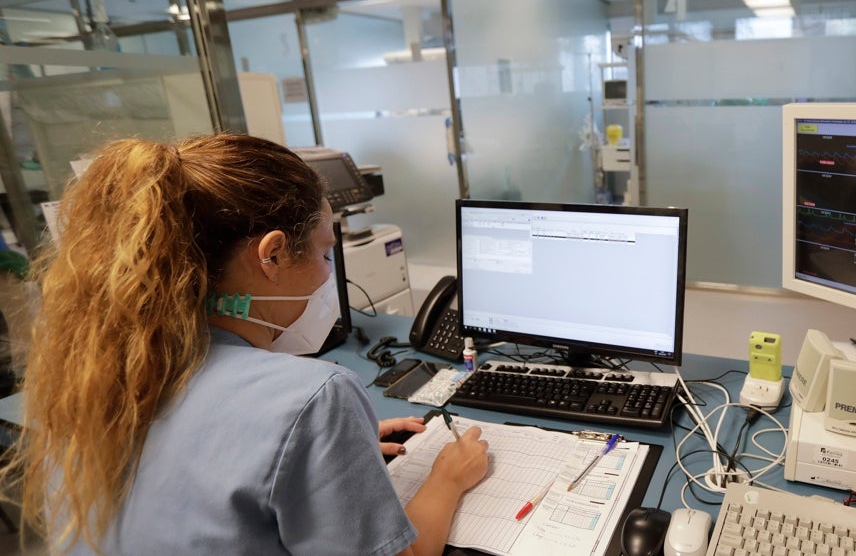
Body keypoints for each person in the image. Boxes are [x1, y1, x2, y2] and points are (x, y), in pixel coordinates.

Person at [0, 134, 489, 555]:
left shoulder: (96, 372)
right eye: (324, 252)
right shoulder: (316, 397)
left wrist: (324, 453)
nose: (328, 272)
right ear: (272, 254)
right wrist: (446, 478)